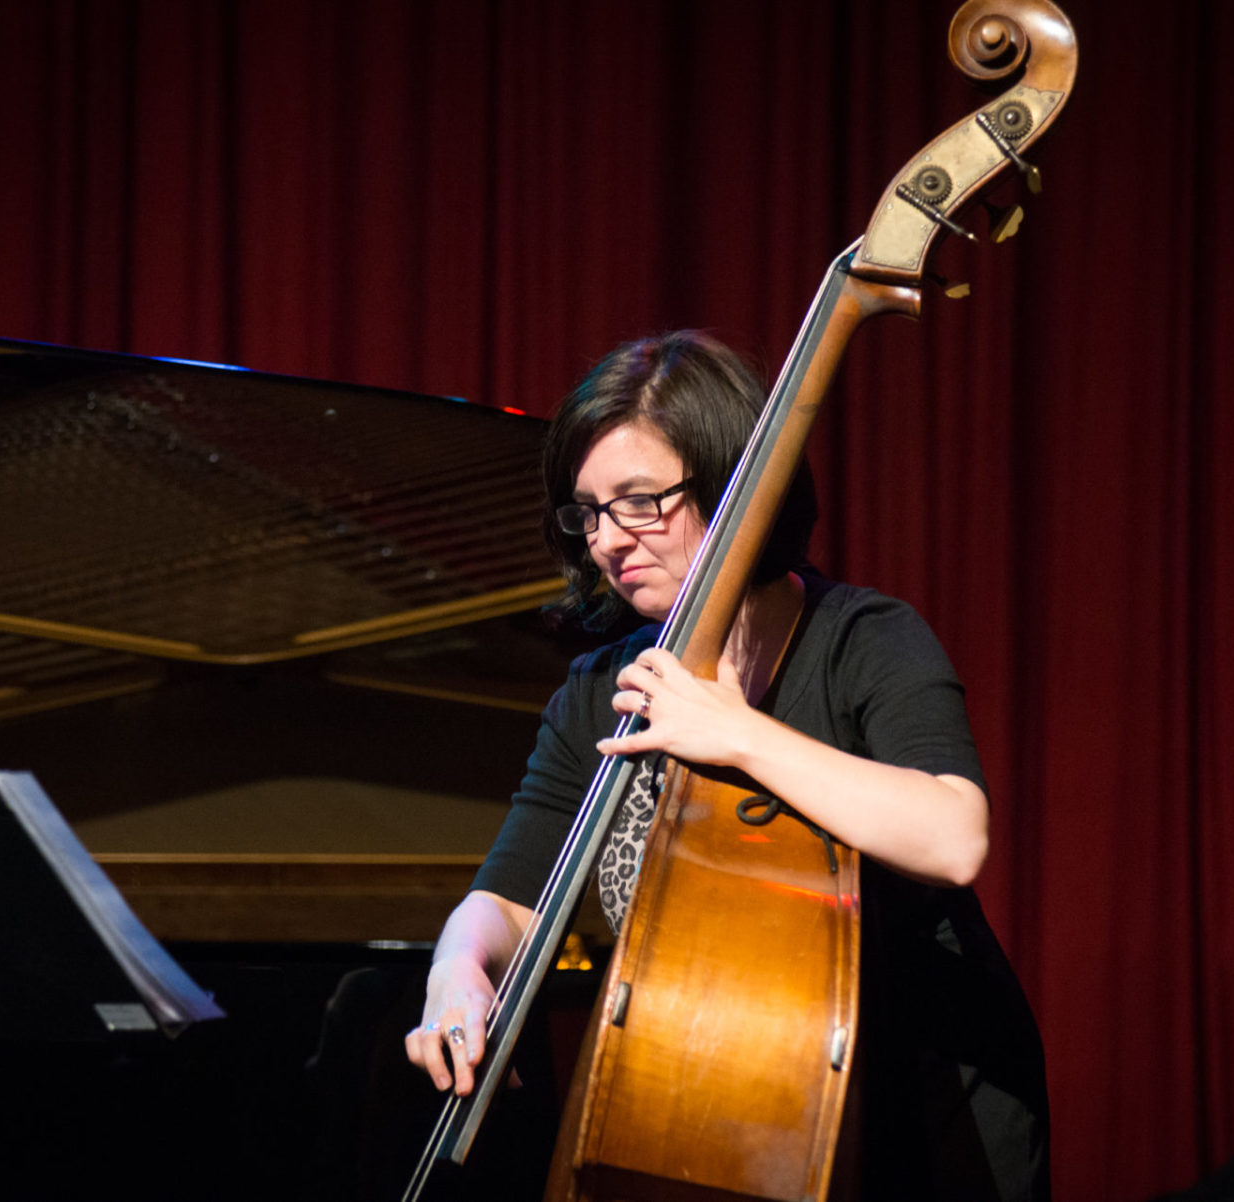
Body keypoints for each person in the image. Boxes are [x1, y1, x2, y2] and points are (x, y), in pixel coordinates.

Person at [405, 330, 1049, 1200]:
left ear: (734, 488)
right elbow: (511, 895)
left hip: (926, 1122)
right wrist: (457, 969)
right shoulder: (603, 689)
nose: (607, 540)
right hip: (724, 1113)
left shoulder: (863, 640)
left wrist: (739, 733)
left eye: (639, 501)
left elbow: (953, 835)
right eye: (588, 511)